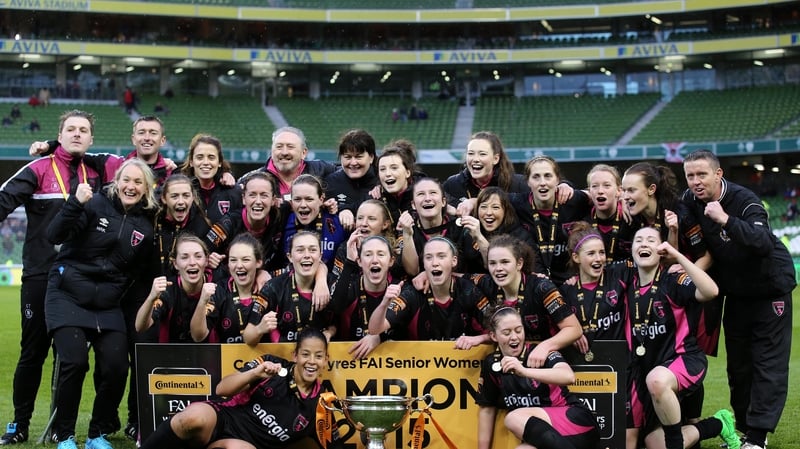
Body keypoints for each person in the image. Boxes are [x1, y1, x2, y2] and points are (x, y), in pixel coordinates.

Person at [0, 110, 102, 446]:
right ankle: (20, 424)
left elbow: (139, 164)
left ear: (90, 138)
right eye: (70, 129)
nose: (77, 134)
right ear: (60, 135)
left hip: (82, 278)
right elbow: (3, 199)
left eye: (83, 130)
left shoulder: (99, 171)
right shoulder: (38, 168)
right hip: (40, 276)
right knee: (33, 352)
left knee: (69, 356)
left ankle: (63, 430)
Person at [682, 149, 795, 449]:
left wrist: (725, 219)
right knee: (739, 367)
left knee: (767, 364)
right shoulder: (688, 202)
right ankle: (745, 430)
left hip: (770, 290)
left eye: (701, 174)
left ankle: (758, 438)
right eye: (690, 175)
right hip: (736, 293)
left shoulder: (745, 201)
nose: (695, 181)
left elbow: (762, 242)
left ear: (718, 174)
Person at [45, 158, 158, 449]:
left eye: (138, 182)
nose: (131, 186)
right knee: (74, 361)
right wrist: (74, 203)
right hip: (68, 294)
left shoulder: (145, 226)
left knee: (117, 367)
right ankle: (65, 434)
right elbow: (53, 235)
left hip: (107, 305)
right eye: (126, 180)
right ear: (116, 181)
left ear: (146, 189)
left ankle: (98, 432)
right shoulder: (94, 203)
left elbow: (141, 271)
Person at [624, 226, 739, 449]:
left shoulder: (672, 279)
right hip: (647, 372)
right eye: (639, 240)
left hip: (684, 359)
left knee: (656, 380)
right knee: (653, 443)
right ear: (632, 251)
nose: (644, 244)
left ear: (661, 250)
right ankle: (718, 424)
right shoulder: (626, 284)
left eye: (650, 240)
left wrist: (678, 257)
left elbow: (711, 291)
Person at [139, 327, 337, 449]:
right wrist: (254, 374)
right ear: (295, 355)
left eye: (318, 356)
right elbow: (221, 389)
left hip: (246, 444)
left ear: (325, 360)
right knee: (191, 418)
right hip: (223, 419)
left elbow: (331, 444)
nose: (311, 362)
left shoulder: (322, 404)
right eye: (305, 354)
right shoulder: (271, 365)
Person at [476, 306, 599, 449]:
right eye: (506, 332)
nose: (514, 337)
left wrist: (524, 371)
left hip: (576, 424)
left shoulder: (539, 352)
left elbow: (568, 376)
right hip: (549, 438)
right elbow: (487, 409)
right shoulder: (492, 364)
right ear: (493, 336)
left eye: (518, 330)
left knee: (512, 418)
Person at [469, 235, 582, 364]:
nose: (498, 268)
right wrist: (482, 338)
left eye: (505, 262)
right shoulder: (486, 283)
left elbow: (574, 329)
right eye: (492, 263)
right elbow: (455, 277)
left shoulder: (541, 287)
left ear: (519, 263)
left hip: (546, 361)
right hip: (510, 362)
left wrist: (545, 347)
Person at [368, 237, 490, 346]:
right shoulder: (412, 294)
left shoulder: (469, 291)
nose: (435, 263)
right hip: (421, 366)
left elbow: (499, 331)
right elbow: (375, 329)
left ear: (454, 261)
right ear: (424, 264)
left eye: (441, 256)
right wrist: (385, 303)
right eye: (428, 257)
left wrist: (480, 338)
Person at [510, 155, 592, 284]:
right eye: (536, 177)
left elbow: (596, 195)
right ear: (528, 182)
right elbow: (490, 199)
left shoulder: (572, 200)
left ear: (557, 179)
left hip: (570, 282)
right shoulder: (517, 202)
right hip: (535, 282)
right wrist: (471, 202)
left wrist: (622, 204)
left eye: (548, 176)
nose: (543, 182)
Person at [245, 231, 337, 344]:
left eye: (312, 250)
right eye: (300, 250)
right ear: (290, 257)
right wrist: (260, 329)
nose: (307, 255)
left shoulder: (332, 284)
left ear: (320, 256)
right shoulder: (273, 287)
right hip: (281, 358)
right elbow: (247, 336)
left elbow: (341, 322)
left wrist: (330, 332)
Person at [559, 222, 628, 362]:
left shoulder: (618, 277)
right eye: (591, 253)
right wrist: (570, 334)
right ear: (576, 257)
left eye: (602, 252)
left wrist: (675, 263)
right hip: (581, 368)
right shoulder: (565, 292)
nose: (598, 258)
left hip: (617, 363)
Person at [135, 233, 216, 343]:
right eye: (184, 257)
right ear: (176, 264)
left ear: (206, 260)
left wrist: (203, 300)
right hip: (170, 356)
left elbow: (198, 336)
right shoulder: (168, 289)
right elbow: (140, 327)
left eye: (198, 256)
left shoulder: (216, 289)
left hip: (207, 355)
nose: (192, 262)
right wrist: (151, 298)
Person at [330, 234, 398, 359]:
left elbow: (401, 326)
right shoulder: (350, 287)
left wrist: (378, 336)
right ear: (359, 262)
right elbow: (336, 307)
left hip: (392, 364)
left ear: (391, 261)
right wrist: (350, 262)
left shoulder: (400, 289)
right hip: (350, 363)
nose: (375, 260)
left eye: (381, 254)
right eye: (368, 254)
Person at [191, 233, 265, 344]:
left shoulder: (269, 288)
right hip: (223, 359)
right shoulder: (219, 291)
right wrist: (202, 301)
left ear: (258, 262)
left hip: (264, 359)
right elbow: (197, 336)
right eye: (233, 260)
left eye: (245, 260)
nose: (239, 265)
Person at [443, 131, 528, 213]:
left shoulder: (518, 184)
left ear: (495, 159)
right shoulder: (452, 184)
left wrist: (477, 202)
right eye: (471, 153)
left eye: (482, 154)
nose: (475, 159)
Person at [243, 126, 336, 201]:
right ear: (272, 151)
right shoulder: (253, 179)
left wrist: (344, 208)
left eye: (290, 147)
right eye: (279, 147)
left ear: (303, 153)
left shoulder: (320, 169)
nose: (284, 152)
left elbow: (347, 172)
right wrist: (227, 175)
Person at [457, 186, 535, 272]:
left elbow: (497, 268)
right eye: (483, 207)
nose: (489, 213)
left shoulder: (520, 236)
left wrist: (479, 237)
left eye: (495, 207)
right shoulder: (469, 231)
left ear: (505, 211)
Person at [397, 177, 465, 276]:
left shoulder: (459, 227)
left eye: (433, 193)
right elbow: (412, 271)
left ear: (443, 202)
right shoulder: (408, 227)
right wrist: (407, 234)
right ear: (413, 205)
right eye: (421, 194)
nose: (427, 198)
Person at [283, 174, 347, 270]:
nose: (303, 205)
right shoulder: (283, 222)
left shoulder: (338, 223)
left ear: (321, 200)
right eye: (297, 199)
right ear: (291, 202)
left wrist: (347, 209)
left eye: (309, 199)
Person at [179, 133, 242, 224]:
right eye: (200, 157)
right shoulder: (180, 191)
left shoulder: (233, 192)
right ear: (191, 162)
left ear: (219, 162)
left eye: (211, 157)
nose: (205, 162)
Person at [324, 128, 380, 230]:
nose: (353, 163)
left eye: (358, 157)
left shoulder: (382, 180)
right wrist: (340, 211)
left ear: (371, 157)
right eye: (348, 157)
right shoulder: (330, 183)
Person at [585, 164, 636, 263]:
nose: (600, 191)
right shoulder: (583, 221)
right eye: (595, 186)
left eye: (607, 185)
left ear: (619, 191)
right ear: (589, 192)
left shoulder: (632, 217)